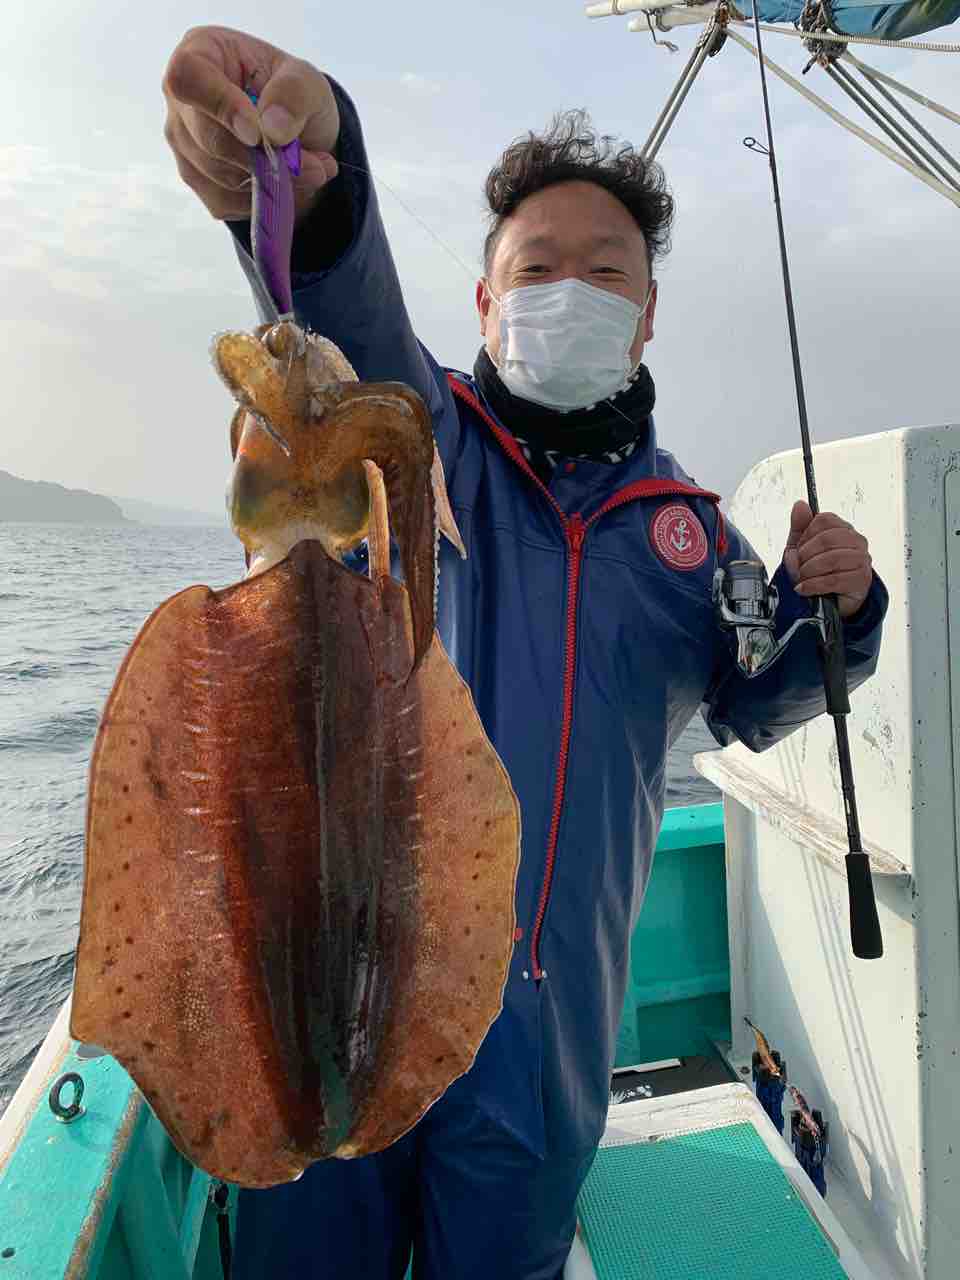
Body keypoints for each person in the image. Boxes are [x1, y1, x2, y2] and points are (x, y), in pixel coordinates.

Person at [163, 26, 887, 1280]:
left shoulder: (690, 538)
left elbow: (753, 702)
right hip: (346, 972)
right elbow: (348, 332)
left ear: (648, 315)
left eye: (606, 272)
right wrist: (317, 180)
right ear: (488, 300)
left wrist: (847, 608)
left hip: (542, 1034)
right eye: (536, 266)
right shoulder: (422, 439)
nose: (571, 288)